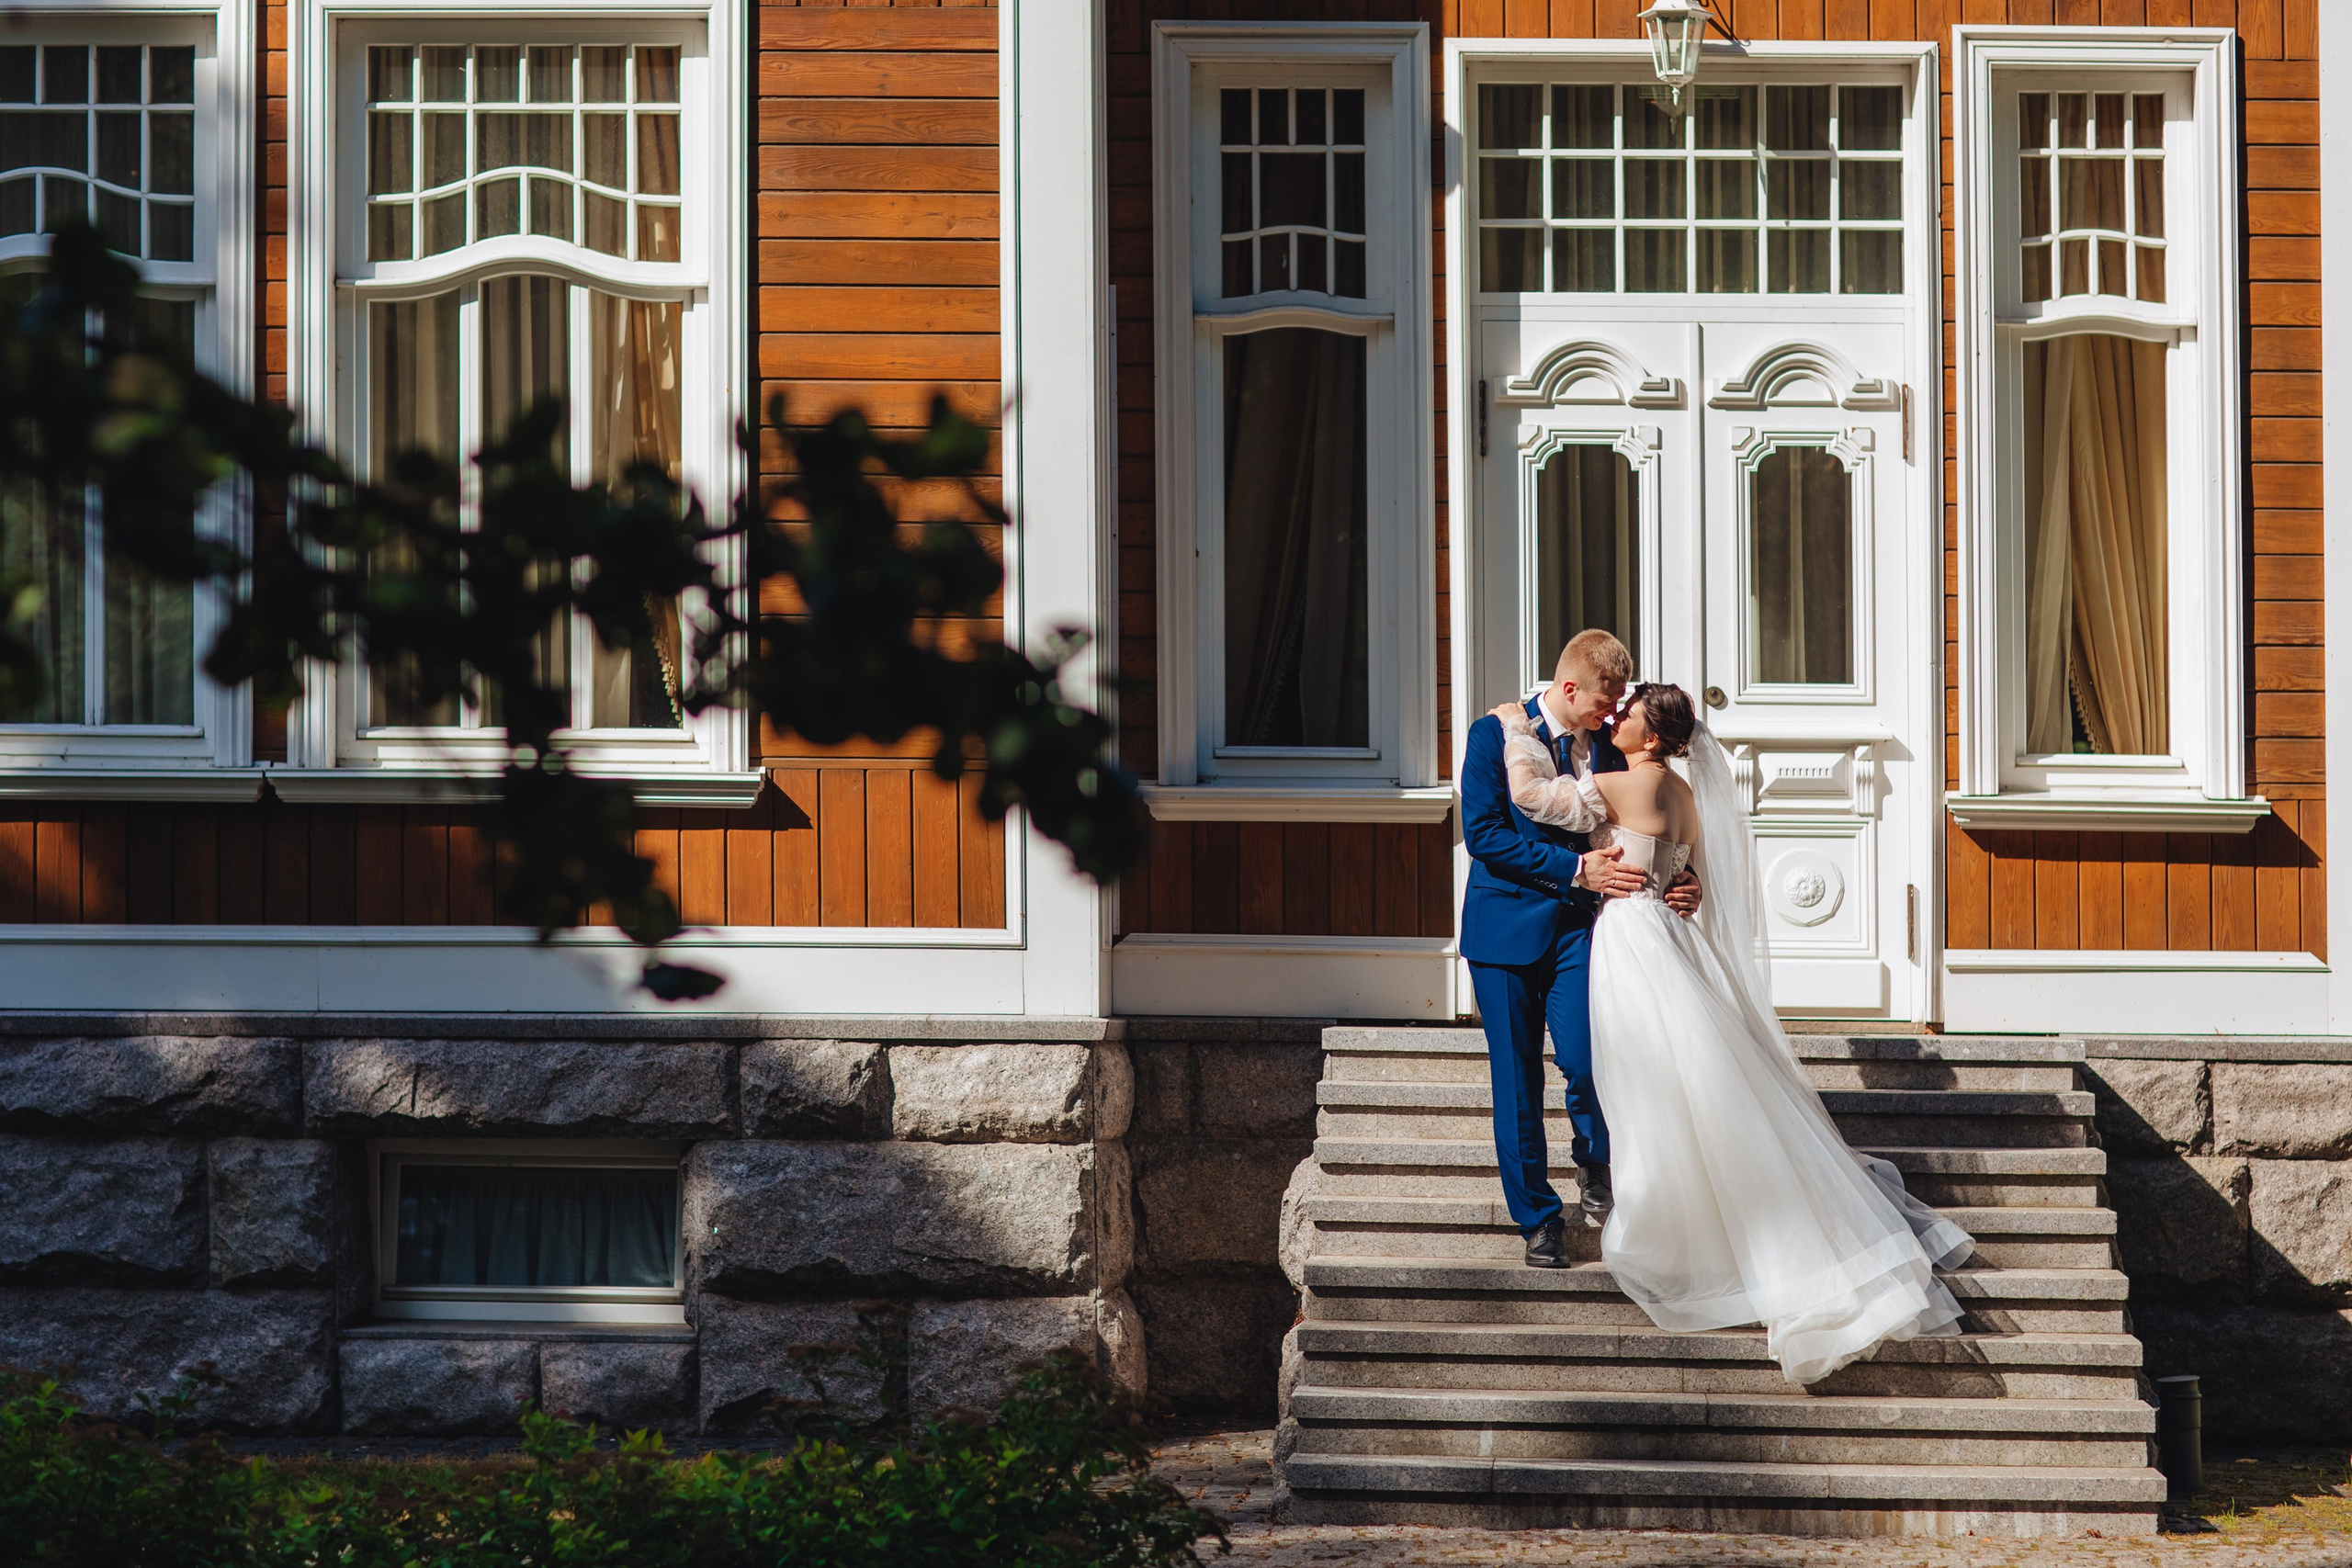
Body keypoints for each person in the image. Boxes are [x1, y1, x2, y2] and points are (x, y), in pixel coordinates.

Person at [1490, 681, 1975, 1385]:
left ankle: (1667, 1221)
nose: (1616, 716)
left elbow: (1535, 794)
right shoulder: (1685, 792)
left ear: (1652, 737)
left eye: (1627, 713)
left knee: (1650, 1085)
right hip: (1668, 938)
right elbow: (1693, 882)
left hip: (1631, 944)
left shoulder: (1627, 782)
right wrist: (1679, 885)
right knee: (1688, 1080)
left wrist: (1512, 726)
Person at [1455, 630, 1698, 1271]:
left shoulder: (1609, 753)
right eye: (1605, 698)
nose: (1614, 711)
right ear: (1570, 687)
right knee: (1517, 1082)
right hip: (1503, 934)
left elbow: (1644, 825)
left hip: (1577, 932)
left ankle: (1596, 1162)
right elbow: (1484, 836)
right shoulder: (1492, 736)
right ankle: (1537, 1218)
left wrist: (1682, 878)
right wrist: (1573, 869)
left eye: (1621, 700)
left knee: (1591, 1061)